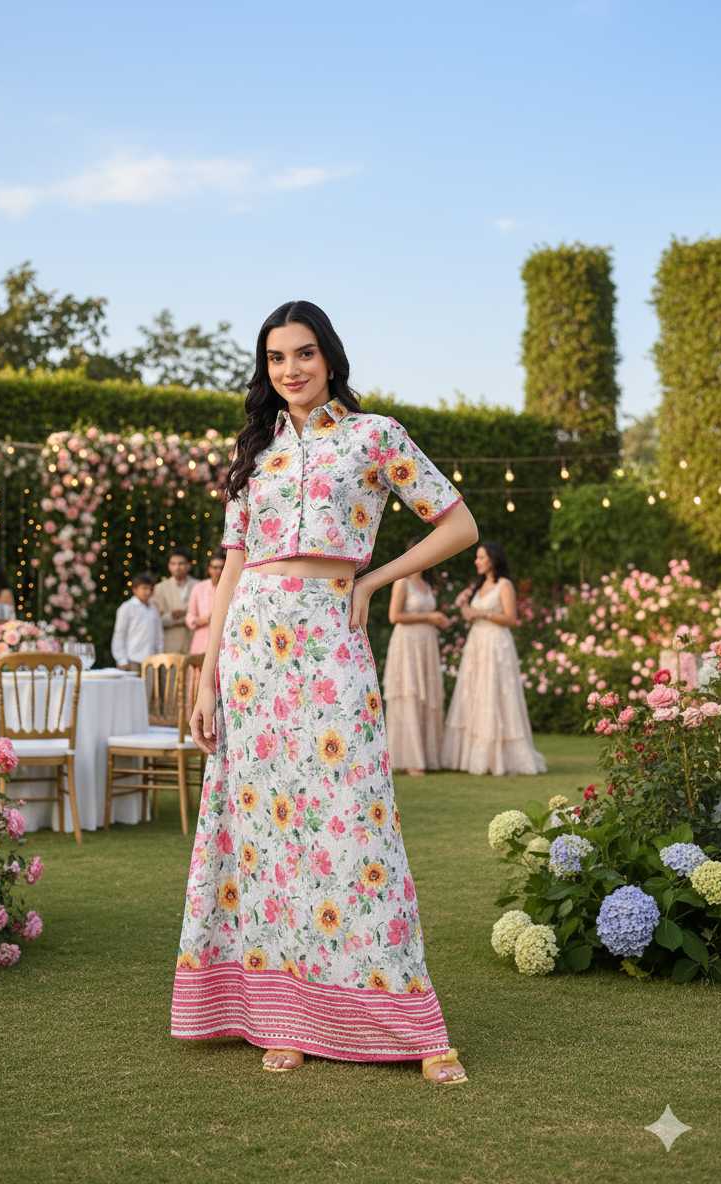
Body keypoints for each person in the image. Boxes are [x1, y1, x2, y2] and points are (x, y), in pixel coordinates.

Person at [172, 301, 478, 1084]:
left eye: (303, 354)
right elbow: (231, 571)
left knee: (356, 824)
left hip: (329, 640)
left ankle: (413, 1024)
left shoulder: (375, 437)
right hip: (250, 652)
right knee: (268, 833)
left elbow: (459, 526)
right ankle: (286, 1017)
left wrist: (373, 580)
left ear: (330, 358)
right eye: (276, 358)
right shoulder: (255, 454)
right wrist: (206, 679)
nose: (291, 370)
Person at [441, 542, 546, 776]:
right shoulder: (479, 586)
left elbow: (510, 618)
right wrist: (464, 606)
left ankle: (500, 756)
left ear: (493, 559)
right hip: (477, 643)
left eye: (481, 557)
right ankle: (471, 756)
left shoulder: (504, 585)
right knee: (475, 692)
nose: (476, 561)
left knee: (495, 692)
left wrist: (483, 613)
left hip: (496, 643)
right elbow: (471, 617)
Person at [383, 537, 450, 774]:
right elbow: (394, 616)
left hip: (426, 643)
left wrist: (436, 619)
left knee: (427, 694)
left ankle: (428, 756)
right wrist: (428, 617)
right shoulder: (402, 582)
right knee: (410, 692)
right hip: (407, 643)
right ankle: (409, 759)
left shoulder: (427, 585)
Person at [111, 571, 164, 671]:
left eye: (150, 589)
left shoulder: (153, 609)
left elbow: (158, 635)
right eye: (144, 588)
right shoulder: (127, 608)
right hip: (132, 658)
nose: (148, 592)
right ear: (135, 590)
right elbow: (119, 634)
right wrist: (121, 660)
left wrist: (159, 656)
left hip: (151, 659)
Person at [153, 550, 199, 653]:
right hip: (169, 644)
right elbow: (153, 619)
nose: (177, 567)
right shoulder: (160, 588)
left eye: (181, 564)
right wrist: (172, 616)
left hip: (194, 641)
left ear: (188, 566)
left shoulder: (199, 586)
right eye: (174, 564)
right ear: (169, 566)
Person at [185, 551, 226, 654]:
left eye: (222, 567)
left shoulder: (233, 589)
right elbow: (190, 616)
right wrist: (203, 620)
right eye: (215, 567)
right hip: (202, 643)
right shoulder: (199, 588)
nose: (219, 571)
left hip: (225, 642)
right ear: (209, 569)